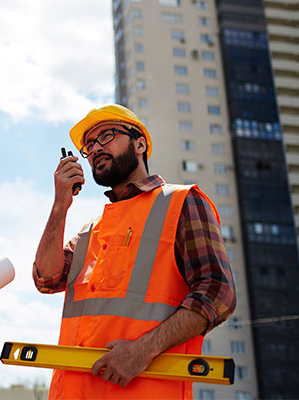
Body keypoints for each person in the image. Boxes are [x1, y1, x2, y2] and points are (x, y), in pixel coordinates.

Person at [33, 104, 236, 399]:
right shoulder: (91, 230)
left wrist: (143, 350)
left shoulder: (181, 202)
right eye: (89, 145)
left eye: (107, 136)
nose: (95, 149)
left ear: (139, 143)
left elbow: (219, 293)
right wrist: (60, 206)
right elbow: (45, 279)